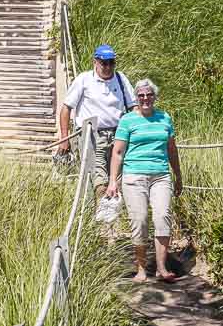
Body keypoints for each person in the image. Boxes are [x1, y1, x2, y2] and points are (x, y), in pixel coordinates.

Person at [106, 78, 183, 283]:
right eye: (141, 96)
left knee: (162, 216)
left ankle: (161, 268)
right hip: (134, 175)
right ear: (136, 98)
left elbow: (171, 149)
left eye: (149, 95)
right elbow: (118, 152)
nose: (145, 98)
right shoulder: (128, 120)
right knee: (139, 220)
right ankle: (141, 268)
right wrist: (113, 181)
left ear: (154, 97)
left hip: (160, 175)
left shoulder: (164, 118)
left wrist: (178, 175)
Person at [57, 44, 137, 198]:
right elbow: (66, 108)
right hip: (91, 136)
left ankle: (110, 216)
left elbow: (133, 107)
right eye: (103, 63)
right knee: (97, 179)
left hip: (118, 135)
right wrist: (64, 138)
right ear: (95, 62)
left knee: (117, 179)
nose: (108, 67)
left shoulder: (120, 79)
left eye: (111, 63)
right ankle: (97, 214)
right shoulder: (84, 80)